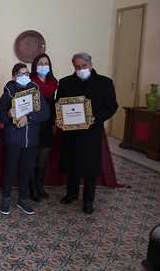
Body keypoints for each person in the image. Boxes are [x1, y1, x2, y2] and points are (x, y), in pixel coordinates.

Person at [57, 52, 118, 215]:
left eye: (84, 65)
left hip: (92, 132)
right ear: (74, 67)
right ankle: (71, 194)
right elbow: (59, 105)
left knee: (90, 167)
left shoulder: (105, 83)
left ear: (91, 65)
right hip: (71, 132)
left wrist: (95, 118)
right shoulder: (64, 83)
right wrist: (60, 118)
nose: (81, 69)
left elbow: (111, 106)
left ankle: (88, 200)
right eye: (78, 66)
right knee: (71, 165)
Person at [0, 63, 50, 215]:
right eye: (21, 74)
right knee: (11, 169)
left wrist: (29, 117)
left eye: (27, 74)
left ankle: (22, 199)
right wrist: (8, 114)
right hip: (13, 139)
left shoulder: (36, 92)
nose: (25, 77)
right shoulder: (8, 93)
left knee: (26, 170)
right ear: (14, 77)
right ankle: (6, 199)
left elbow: (45, 112)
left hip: (31, 138)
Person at [28, 53, 59, 202]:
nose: (43, 66)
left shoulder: (54, 84)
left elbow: (53, 107)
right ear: (34, 66)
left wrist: (53, 123)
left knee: (43, 159)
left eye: (46, 63)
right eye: (40, 63)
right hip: (33, 124)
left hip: (47, 125)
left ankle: (39, 186)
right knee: (32, 159)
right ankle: (32, 188)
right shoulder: (29, 82)